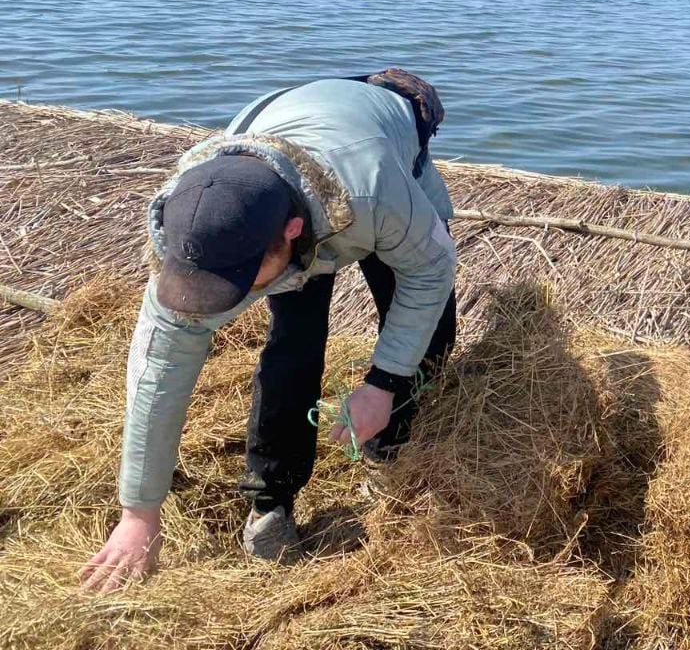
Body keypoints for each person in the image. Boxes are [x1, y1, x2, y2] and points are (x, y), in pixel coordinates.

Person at [80, 70, 457, 592]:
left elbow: (432, 269)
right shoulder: (196, 226)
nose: (225, 300)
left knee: (431, 325)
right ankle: (270, 499)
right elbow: (158, 371)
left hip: (367, 171)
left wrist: (384, 383)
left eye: (240, 279)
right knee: (293, 346)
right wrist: (139, 513)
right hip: (282, 159)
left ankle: (388, 445)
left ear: (292, 234)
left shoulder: (381, 191)